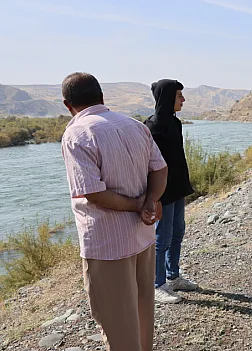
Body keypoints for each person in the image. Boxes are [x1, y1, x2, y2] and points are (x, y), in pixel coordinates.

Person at [60, 72, 168, 351]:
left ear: (66, 104)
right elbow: (160, 168)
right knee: (144, 315)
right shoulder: (134, 125)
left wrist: (136, 205)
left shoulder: (77, 134)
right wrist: (149, 202)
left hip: (107, 245)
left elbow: (93, 193)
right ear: (102, 97)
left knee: (119, 327)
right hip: (143, 237)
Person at [144, 79, 199, 304]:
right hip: (162, 194)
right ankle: (157, 284)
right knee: (161, 238)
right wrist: (154, 197)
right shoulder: (152, 127)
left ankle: (173, 276)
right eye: (179, 95)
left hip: (177, 190)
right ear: (167, 98)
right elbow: (148, 166)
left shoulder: (175, 124)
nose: (183, 100)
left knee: (177, 233)